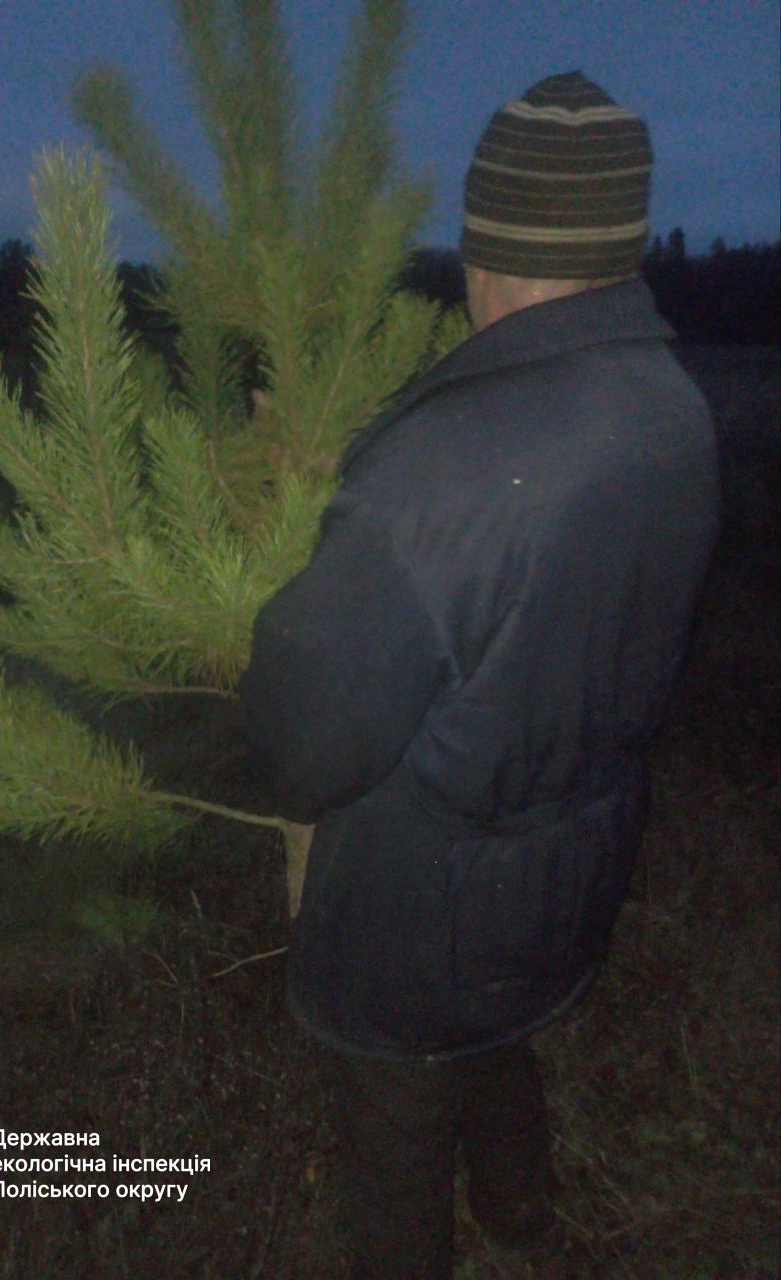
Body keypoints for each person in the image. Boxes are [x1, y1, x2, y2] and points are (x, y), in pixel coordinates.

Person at [239, 70, 722, 1278]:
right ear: (621, 245)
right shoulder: (671, 408)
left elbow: (307, 745)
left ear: (481, 250)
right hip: (565, 870)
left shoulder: (437, 472)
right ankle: (524, 1221)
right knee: (500, 1040)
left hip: (416, 917)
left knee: (397, 1141)